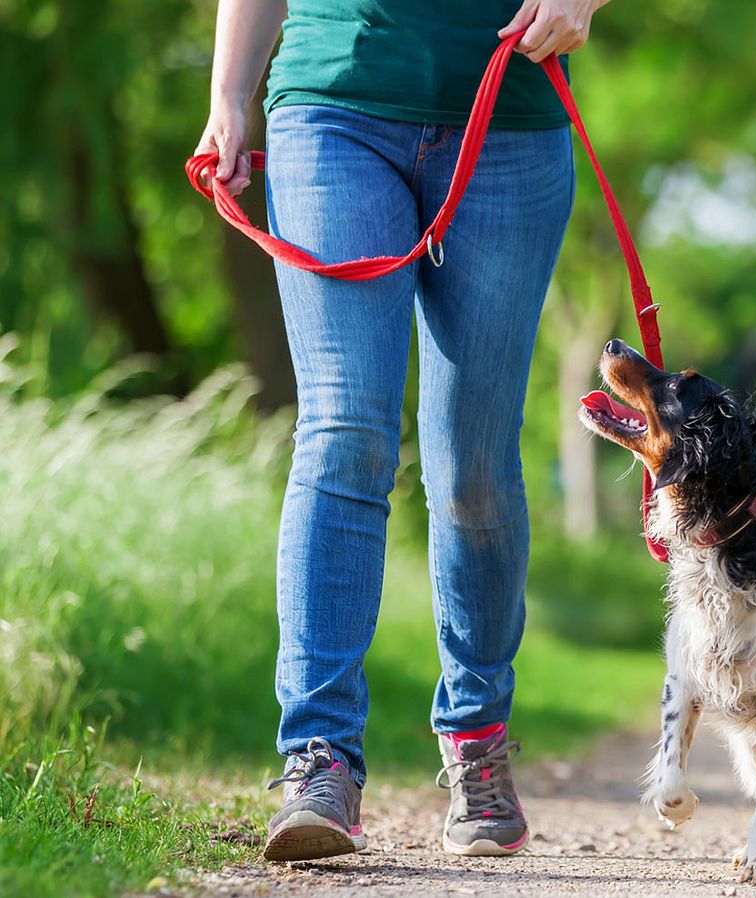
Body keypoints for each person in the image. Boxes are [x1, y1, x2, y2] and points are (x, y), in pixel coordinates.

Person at [194, 0, 610, 863]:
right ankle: (319, 759)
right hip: (333, 103)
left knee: (473, 465)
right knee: (345, 429)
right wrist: (230, 93)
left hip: (509, 119)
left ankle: (477, 741)